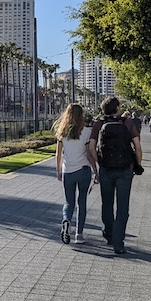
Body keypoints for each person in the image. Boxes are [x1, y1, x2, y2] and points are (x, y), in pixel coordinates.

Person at [87, 96, 142, 254]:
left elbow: (91, 147)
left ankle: (109, 235)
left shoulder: (99, 124)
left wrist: (99, 163)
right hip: (125, 170)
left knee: (107, 204)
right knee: (123, 207)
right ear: (117, 108)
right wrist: (138, 164)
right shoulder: (126, 123)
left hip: (106, 169)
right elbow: (137, 146)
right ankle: (119, 243)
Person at [54, 103, 98, 245]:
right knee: (82, 201)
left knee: (69, 202)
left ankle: (66, 220)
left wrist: (58, 170)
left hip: (68, 171)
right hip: (83, 170)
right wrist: (95, 170)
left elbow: (58, 154)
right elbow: (89, 153)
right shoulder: (86, 132)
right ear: (81, 115)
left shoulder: (62, 132)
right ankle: (79, 234)